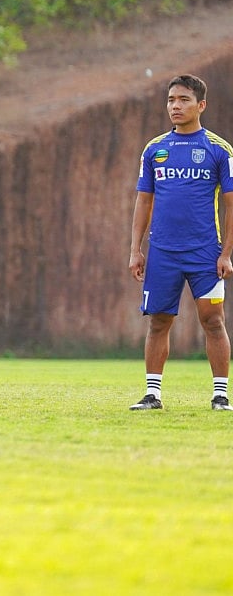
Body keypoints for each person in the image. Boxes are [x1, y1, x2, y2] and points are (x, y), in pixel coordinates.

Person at [128, 74, 233, 411]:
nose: (175, 106)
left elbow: (231, 205)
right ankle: (152, 395)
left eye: (184, 99)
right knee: (158, 321)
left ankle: (220, 395)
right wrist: (135, 250)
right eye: (171, 99)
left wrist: (227, 253)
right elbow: (143, 201)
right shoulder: (154, 149)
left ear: (201, 105)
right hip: (162, 252)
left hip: (205, 252)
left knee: (213, 321)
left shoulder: (218, 150)